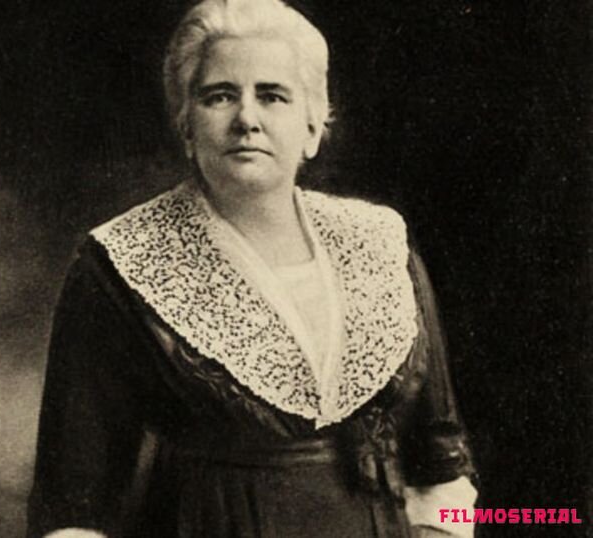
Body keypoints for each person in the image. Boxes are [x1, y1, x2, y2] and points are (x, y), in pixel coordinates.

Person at [26, 1, 478, 537]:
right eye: (219, 96)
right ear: (186, 125)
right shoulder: (117, 263)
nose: (247, 119)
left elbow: (441, 465)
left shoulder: (380, 244)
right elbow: (73, 511)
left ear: (312, 126)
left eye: (272, 95)